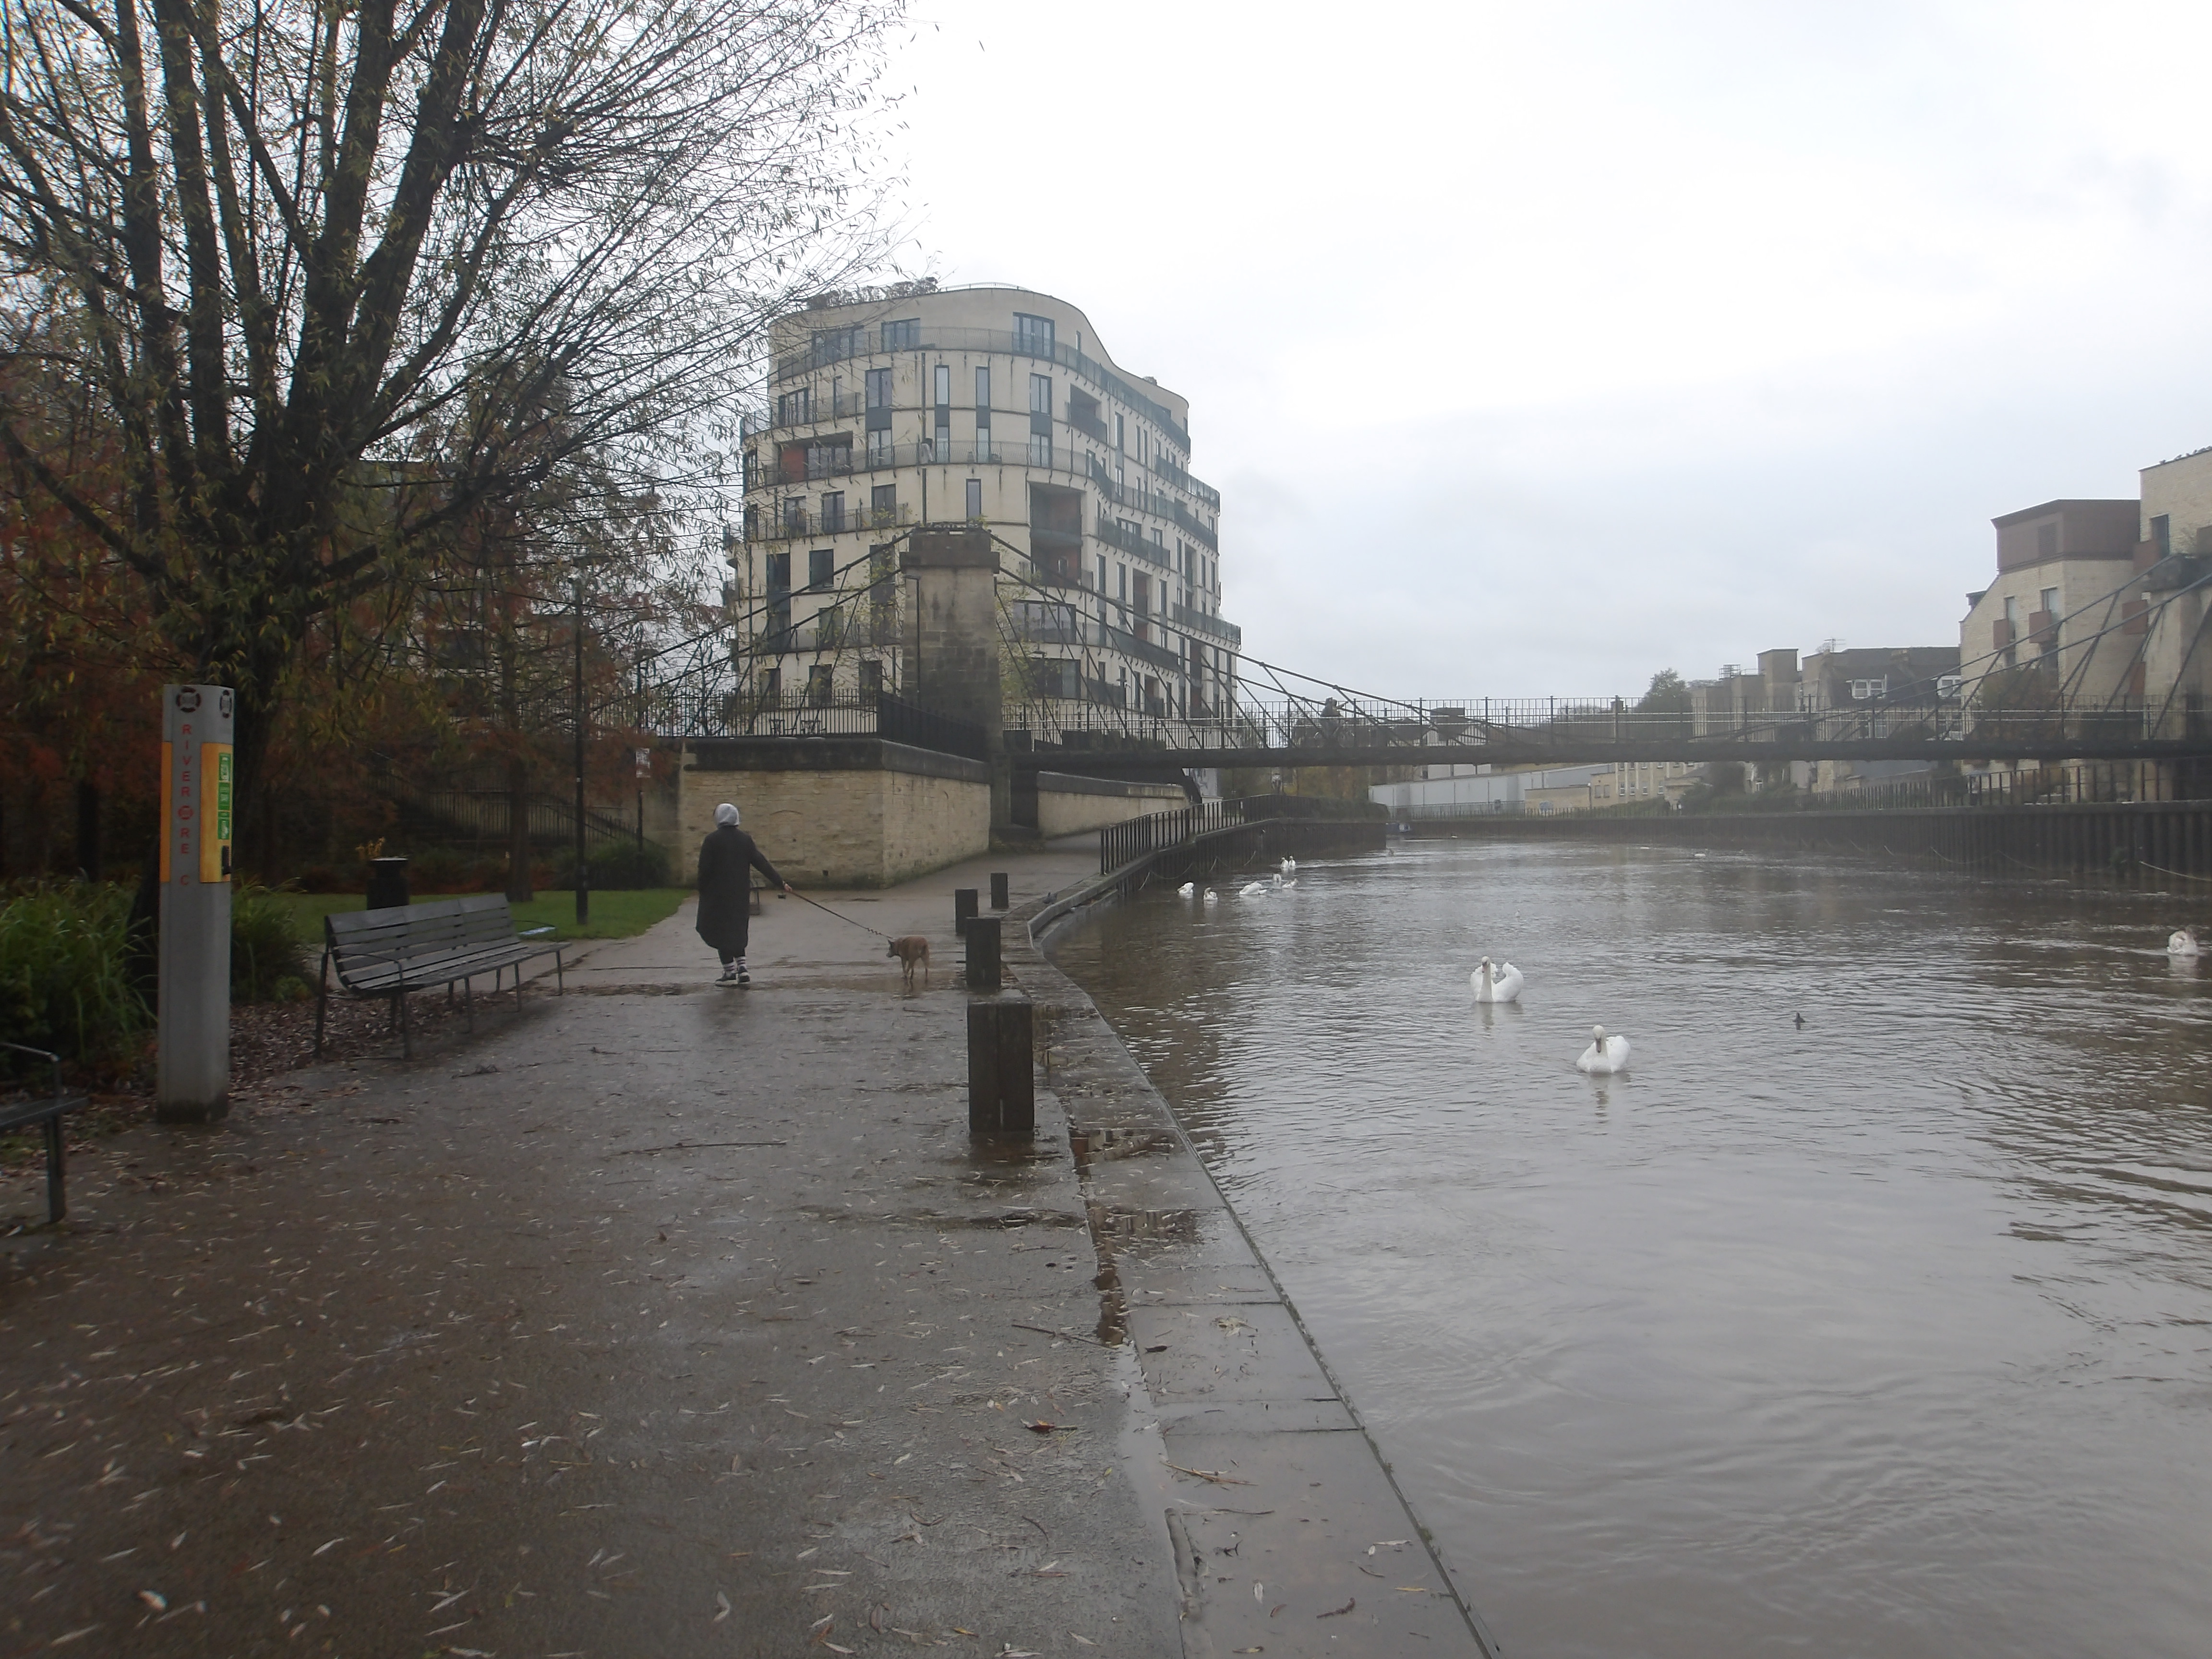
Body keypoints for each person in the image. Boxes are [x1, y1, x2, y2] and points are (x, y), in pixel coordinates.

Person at [696, 803, 791, 985]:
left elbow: (704, 870)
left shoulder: (712, 840)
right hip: (739, 893)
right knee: (737, 929)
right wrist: (780, 882)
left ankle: (730, 972)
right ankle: (743, 968)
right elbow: (761, 862)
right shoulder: (745, 840)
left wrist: (702, 889)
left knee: (720, 931)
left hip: (718, 895)